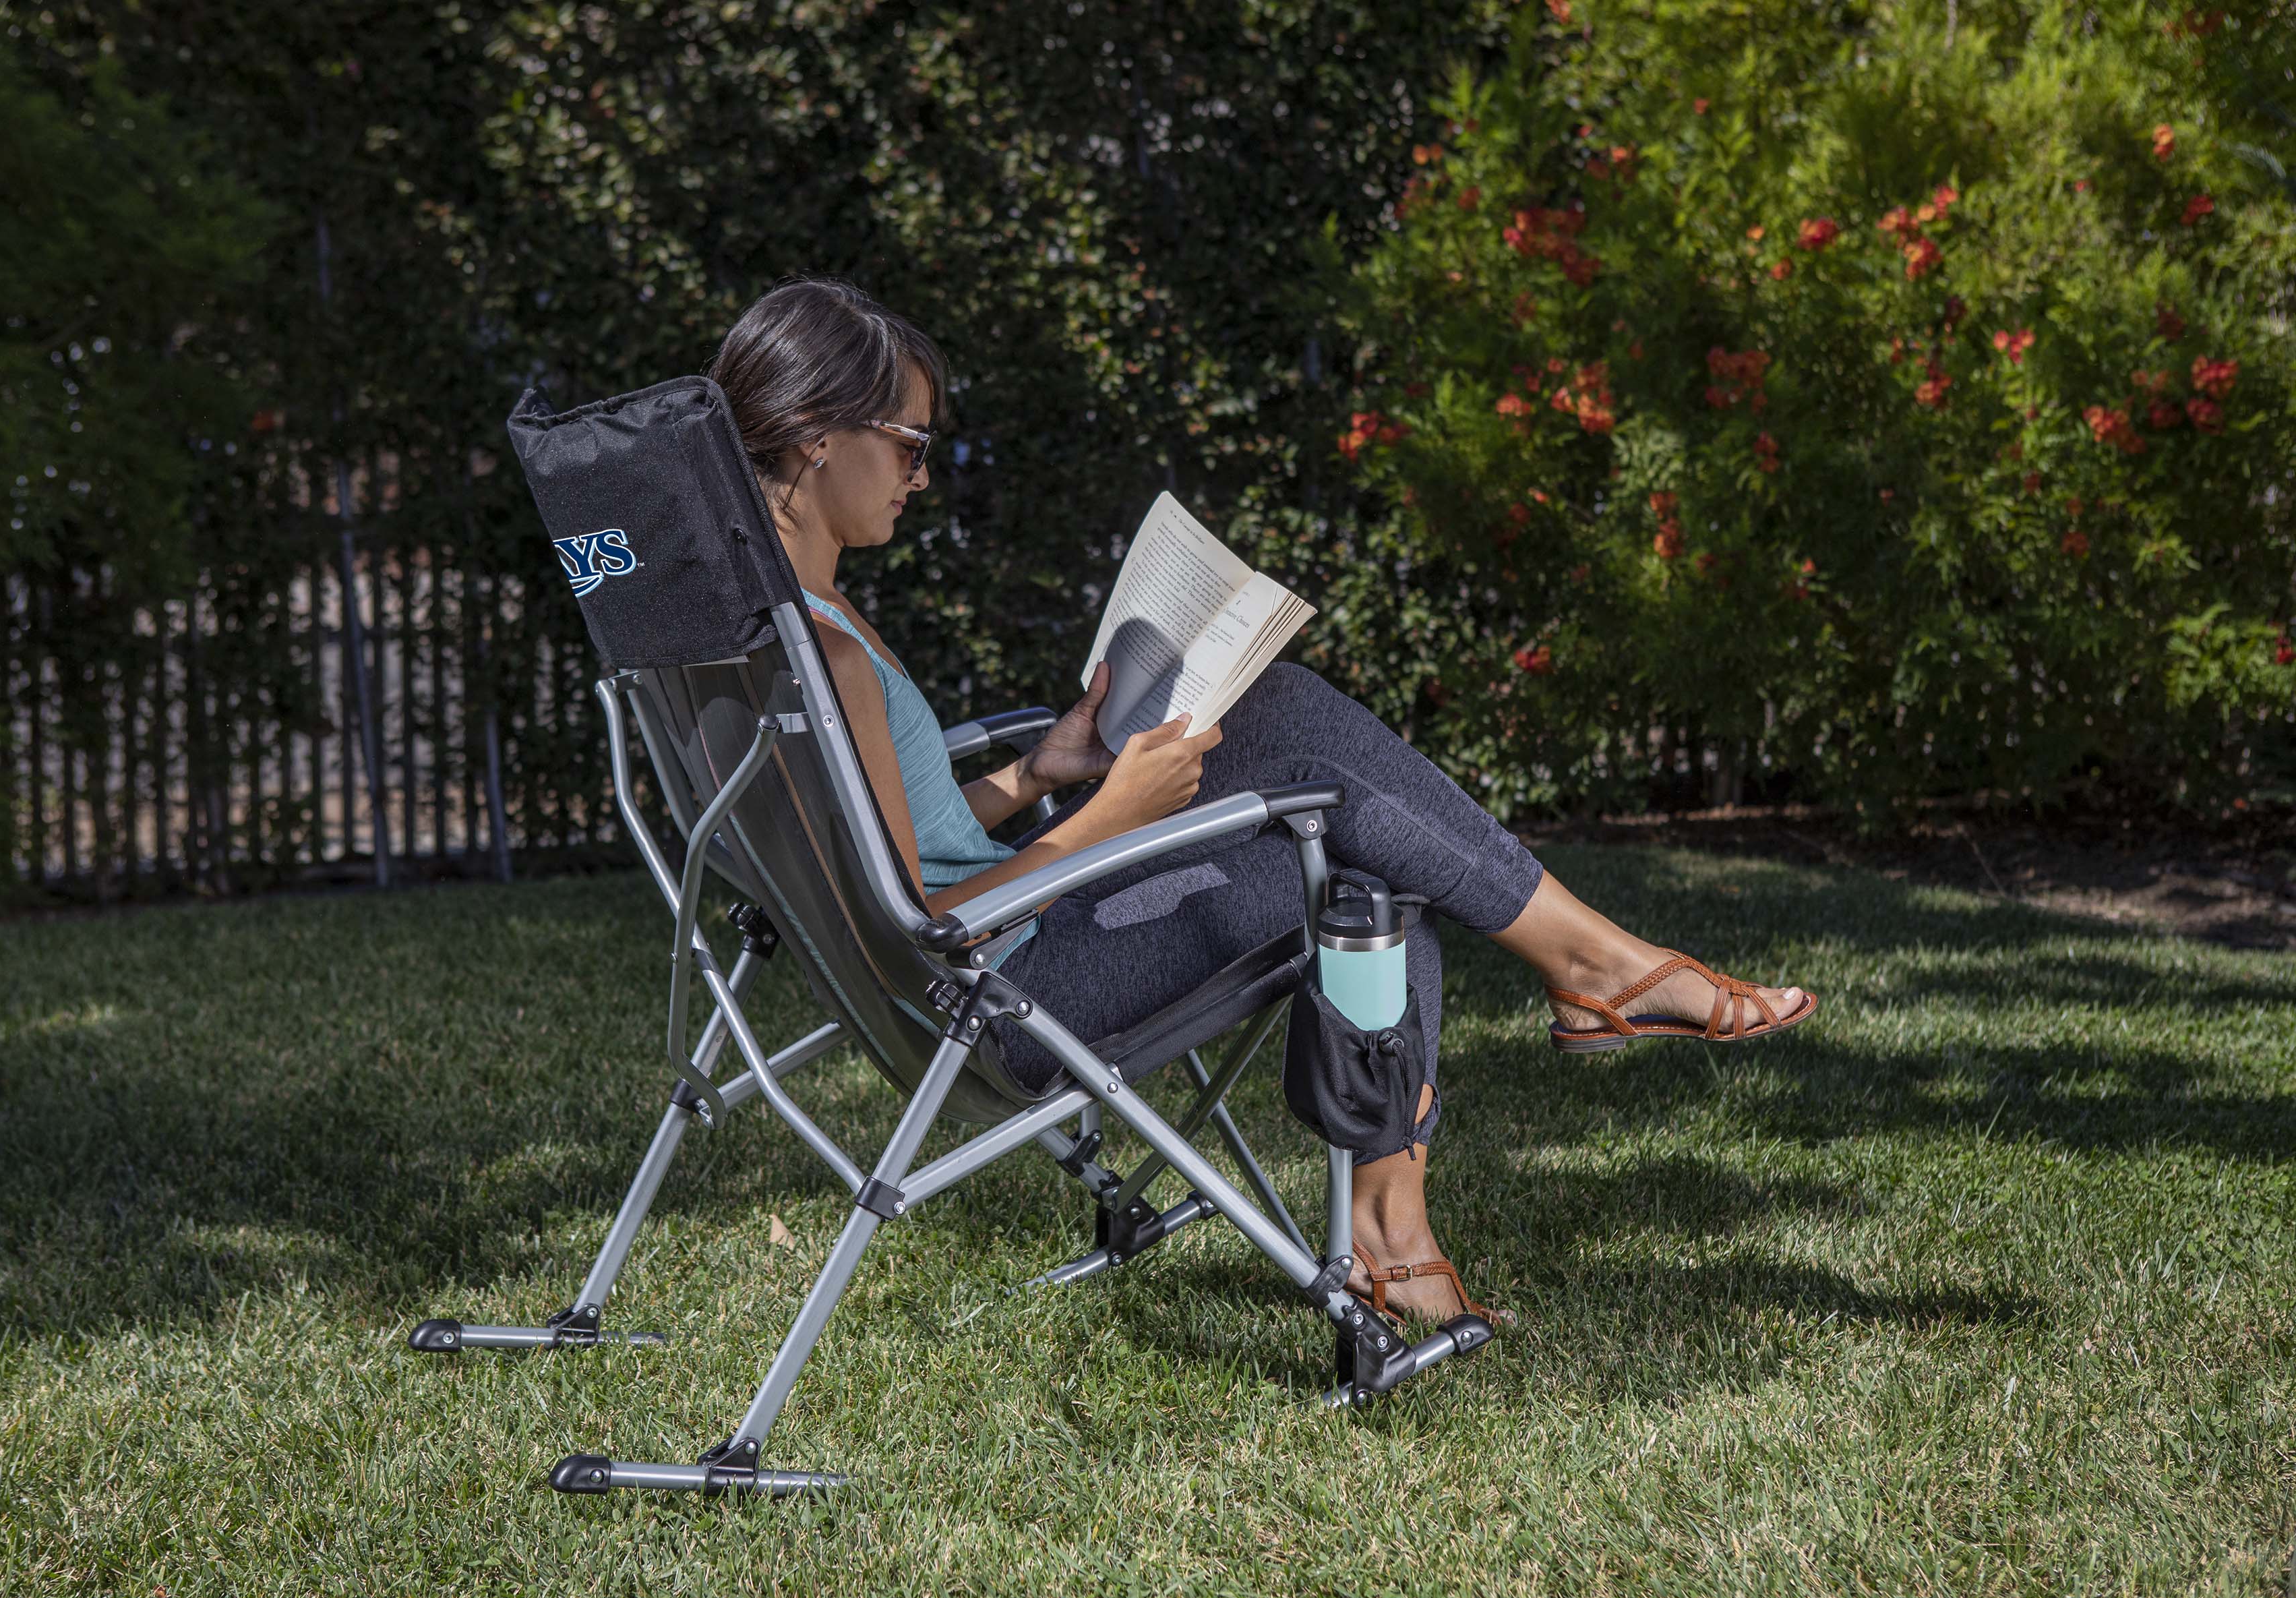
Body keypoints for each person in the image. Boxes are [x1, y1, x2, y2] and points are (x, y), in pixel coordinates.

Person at [709, 277, 1817, 1329]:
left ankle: (1510, 1084)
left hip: (986, 972)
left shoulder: (773, 633)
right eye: (908, 443)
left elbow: (893, 845)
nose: (923, 473)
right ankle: (1534, 1053)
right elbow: (919, 925)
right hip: (1010, 1000)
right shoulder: (824, 657)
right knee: (1353, 844)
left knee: (1314, 768)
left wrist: (1045, 775)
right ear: (816, 434)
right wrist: (1113, 817)